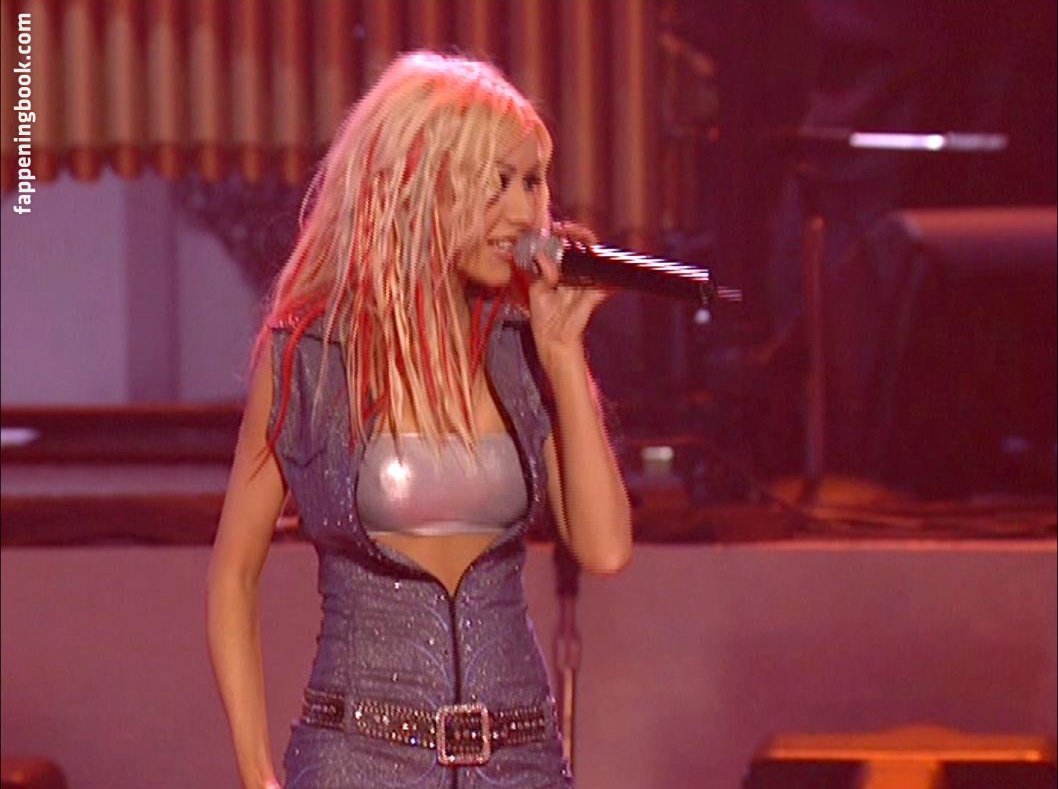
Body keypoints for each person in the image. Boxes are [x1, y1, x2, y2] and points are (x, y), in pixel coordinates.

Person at [206, 51, 632, 789]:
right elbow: (233, 574)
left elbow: (604, 547)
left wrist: (564, 355)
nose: (524, 212)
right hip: (359, 759)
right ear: (420, 182)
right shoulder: (310, 358)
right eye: (498, 181)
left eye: (533, 182)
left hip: (521, 760)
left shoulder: (522, 352)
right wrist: (256, 773)